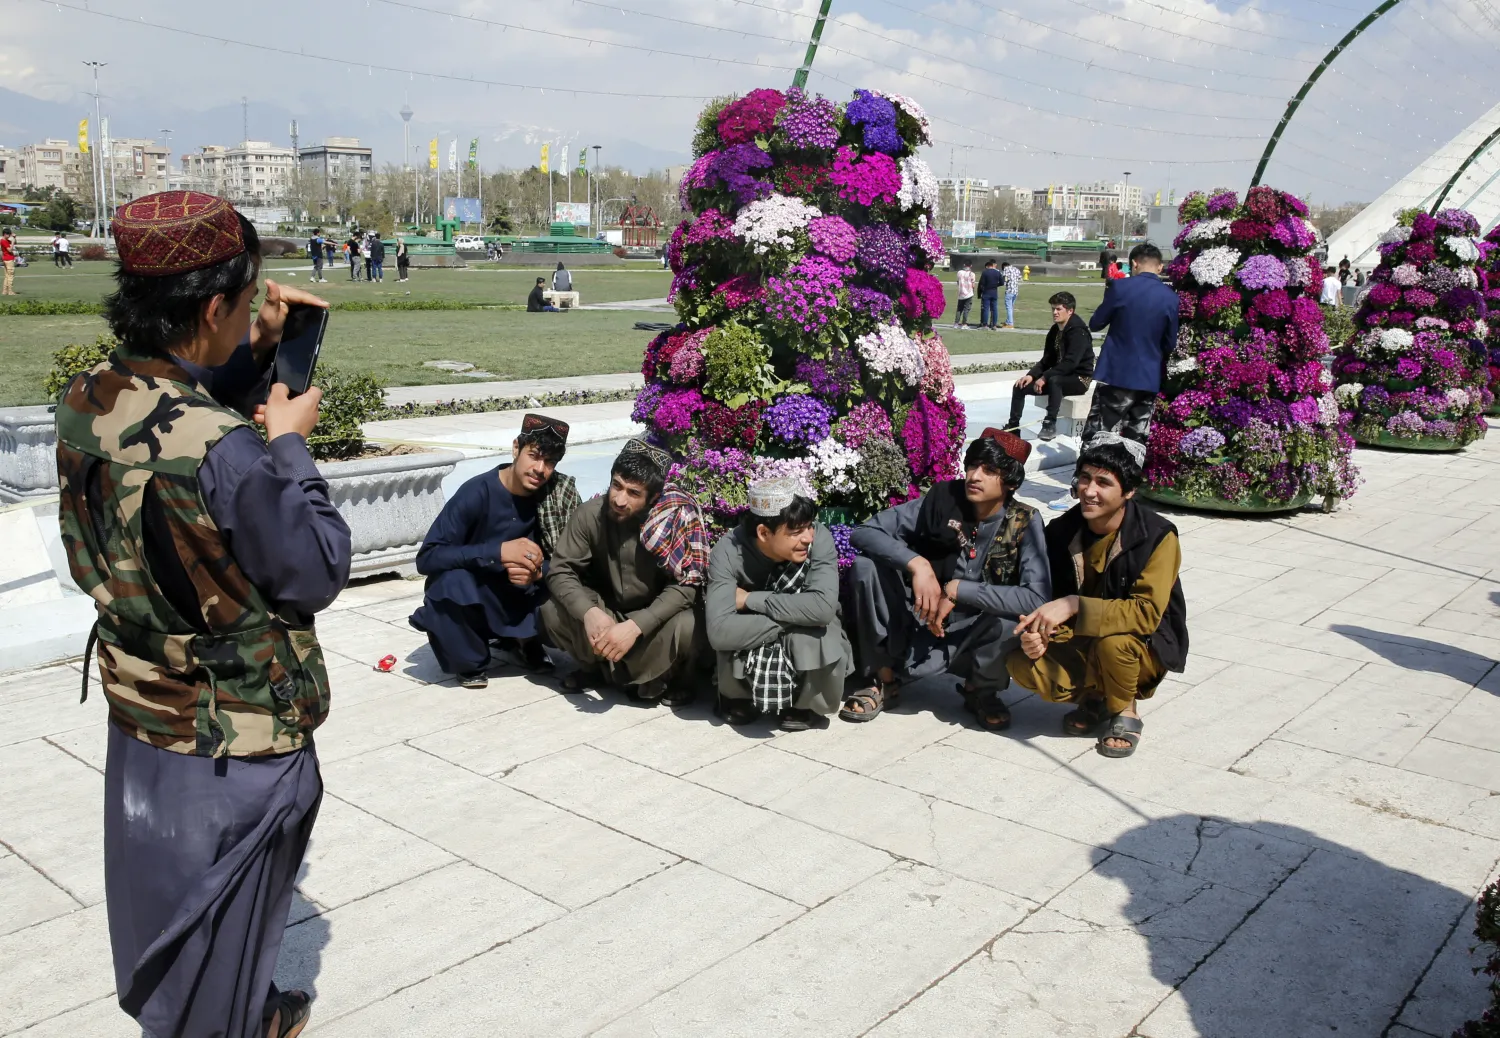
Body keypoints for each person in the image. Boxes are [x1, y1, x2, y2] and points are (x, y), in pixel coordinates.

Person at [55, 190, 348, 1038]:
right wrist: (290, 441)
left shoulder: (85, 394)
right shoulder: (234, 452)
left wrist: (257, 354)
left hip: (140, 706)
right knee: (225, 930)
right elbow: (316, 568)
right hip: (236, 734)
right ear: (214, 304)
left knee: (170, 916)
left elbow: (162, 419)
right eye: (247, 299)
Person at [843, 429, 1049, 729]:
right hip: (918, 618)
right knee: (865, 567)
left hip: (972, 631)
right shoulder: (943, 500)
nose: (974, 476)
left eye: (989, 470)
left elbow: (1037, 598)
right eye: (972, 465)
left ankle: (980, 688)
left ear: (1011, 481)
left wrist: (959, 591)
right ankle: (883, 680)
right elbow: (864, 531)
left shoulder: (1025, 522)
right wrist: (917, 564)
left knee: (1011, 619)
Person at [1007, 434, 1188, 759]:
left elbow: (1145, 614)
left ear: (1129, 492)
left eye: (1103, 482)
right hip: (1082, 638)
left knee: (1114, 643)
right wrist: (1039, 635)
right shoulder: (1063, 530)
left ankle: (1124, 709)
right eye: (1085, 479)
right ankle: (1094, 698)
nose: (1089, 491)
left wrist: (1074, 604)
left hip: (1142, 645)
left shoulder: (1158, 536)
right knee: (1020, 663)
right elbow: (1044, 594)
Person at [409, 414, 580, 688]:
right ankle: (471, 659)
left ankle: (525, 642)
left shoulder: (557, 496)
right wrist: (498, 551)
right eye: (534, 456)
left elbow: (572, 564)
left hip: (526, 596)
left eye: (549, 462)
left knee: (576, 587)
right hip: (480, 596)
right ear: (516, 448)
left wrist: (537, 572)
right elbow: (428, 557)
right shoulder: (477, 492)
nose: (540, 469)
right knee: (448, 584)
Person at [541, 439, 707, 705]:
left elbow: (686, 587)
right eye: (616, 485)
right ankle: (595, 670)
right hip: (606, 614)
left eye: (633, 493)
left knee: (689, 624)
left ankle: (674, 679)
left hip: (652, 622)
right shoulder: (589, 515)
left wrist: (636, 626)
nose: (619, 499)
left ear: (653, 498)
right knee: (552, 610)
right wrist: (590, 613)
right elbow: (562, 571)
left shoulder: (674, 519)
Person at [704, 477, 854, 732]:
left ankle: (805, 704)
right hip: (753, 633)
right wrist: (800, 612)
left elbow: (823, 609)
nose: (808, 537)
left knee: (818, 634)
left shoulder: (819, 538)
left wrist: (751, 599)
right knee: (738, 635)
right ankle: (741, 698)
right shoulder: (728, 551)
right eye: (796, 532)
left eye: (809, 527)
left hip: (789, 627)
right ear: (764, 532)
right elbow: (719, 632)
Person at [1084, 241, 1178, 443]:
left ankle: (1088, 473)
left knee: (1099, 433)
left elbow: (1096, 323)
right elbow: (1170, 343)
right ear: (1160, 267)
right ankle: (1128, 474)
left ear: (1134, 264)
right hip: (1148, 376)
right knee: (1135, 439)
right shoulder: (1171, 298)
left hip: (1116, 372)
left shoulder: (1119, 287)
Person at [1007, 291, 1095, 441]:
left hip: (1079, 378)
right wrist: (1031, 375)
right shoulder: (1055, 330)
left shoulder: (1078, 332)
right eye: (1053, 308)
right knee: (1019, 386)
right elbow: (1047, 359)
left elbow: (1071, 363)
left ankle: (1049, 424)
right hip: (1059, 375)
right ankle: (1013, 428)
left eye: (1059, 309)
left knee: (1055, 380)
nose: (1054, 312)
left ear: (1070, 311)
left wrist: (1045, 377)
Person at [976, 259, 1002, 329]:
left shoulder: (985, 272)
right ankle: (994, 325)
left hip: (986, 292)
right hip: (994, 292)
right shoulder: (998, 272)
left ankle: (985, 324)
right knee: (994, 309)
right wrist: (995, 285)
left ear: (987, 266)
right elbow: (1002, 282)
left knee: (986, 309)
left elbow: (981, 284)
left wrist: (981, 291)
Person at [1001, 258, 1022, 328]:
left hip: (1009, 290)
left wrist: (1003, 282)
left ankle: (1010, 323)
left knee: (1008, 308)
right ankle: (1007, 321)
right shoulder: (1016, 269)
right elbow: (1020, 278)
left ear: (1004, 266)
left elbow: (1005, 279)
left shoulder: (1006, 269)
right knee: (1011, 307)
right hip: (1015, 291)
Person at [953, 261, 975, 328]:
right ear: (971, 266)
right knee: (966, 309)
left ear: (964, 265)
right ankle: (964, 324)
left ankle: (956, 323)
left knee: (959, 309)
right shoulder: (972, 274)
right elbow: (973, 285)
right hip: (969, 293)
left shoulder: (959, 272)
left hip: (961, 293)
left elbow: (958, 282)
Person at [1, 228, 15, 295]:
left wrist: (14, 238)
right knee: (10, 275)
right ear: (5, 234)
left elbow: (15, 243)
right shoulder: (4, 241)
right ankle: (10, 291)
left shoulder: (6, 240)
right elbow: (10, 250)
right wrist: (12, 242)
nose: (9, 236)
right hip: (9, 259)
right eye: (8, 234)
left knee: (7, 276)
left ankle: (5, 291)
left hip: (6, 259)